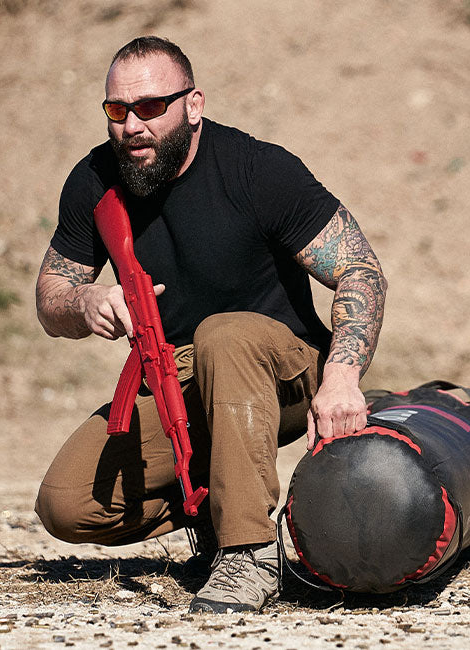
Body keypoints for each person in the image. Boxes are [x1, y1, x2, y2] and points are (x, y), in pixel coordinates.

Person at [34, 36, 387, 613]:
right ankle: (222, 507)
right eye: (116, 110)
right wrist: (84, 302)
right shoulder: (95, 179)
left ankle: (248, 554)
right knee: (68, 504)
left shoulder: (259, 170)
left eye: (150, 107)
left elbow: (361, 271)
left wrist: (343, 377)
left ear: (193, 106)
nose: (131, 126)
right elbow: (51, 296)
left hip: (284, 369)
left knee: (222, 333)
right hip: (180, 378)